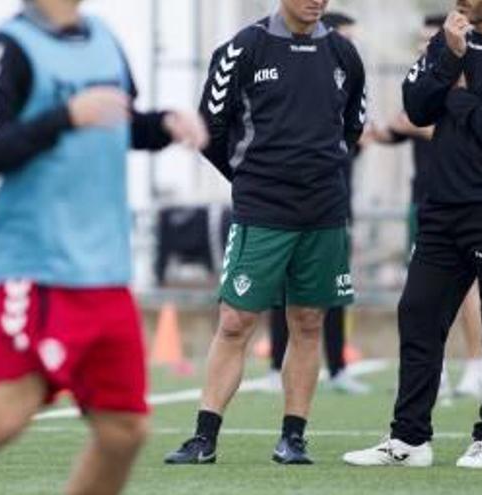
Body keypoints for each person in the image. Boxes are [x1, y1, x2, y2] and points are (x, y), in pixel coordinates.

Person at [0, 0, 208, 492]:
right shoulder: (6, 47)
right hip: (37, 267)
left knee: (124, 430)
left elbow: (121, 123)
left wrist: (164, 125)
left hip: (105, 273)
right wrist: (63, 117)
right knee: (5, 414)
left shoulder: (104, 40)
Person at [344, 0, 482, 469]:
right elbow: (416, 108)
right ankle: (409, 439)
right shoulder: (449, 39)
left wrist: (458, 97)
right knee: (417, 313)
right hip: (442, 208)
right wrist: (450, 57)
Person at [164, 0, 366, 466]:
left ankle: (293, 438)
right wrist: (250, 177)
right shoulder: (243, 47)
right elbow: (209, 126)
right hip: (262, 209)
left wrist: (321, 168)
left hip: (324, 211)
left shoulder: (344, 53)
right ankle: (204, 438)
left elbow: (353, 125)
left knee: (309, 321)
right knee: (235, 322)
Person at [251, 10, 371, 396]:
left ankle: (337, 368)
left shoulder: (345, 67)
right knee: (281, 292)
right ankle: (274, 365)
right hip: (278, 205)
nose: (348, 42)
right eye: (344, 34)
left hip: (332, 204)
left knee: (327, 298)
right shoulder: (274, 57)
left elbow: (355, 128)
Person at [371, 13, 482, 400]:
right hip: (423, 200)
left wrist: (411, 125)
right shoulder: (427, 79)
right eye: (422, 40)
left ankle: (476, 367)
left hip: (463, 200)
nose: (425, 46)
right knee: (420, 294)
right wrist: (374, 130)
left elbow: (457, 129)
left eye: (431, 38)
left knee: (467, 289)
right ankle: (432, 374)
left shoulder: (468, 75)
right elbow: (398, 127)